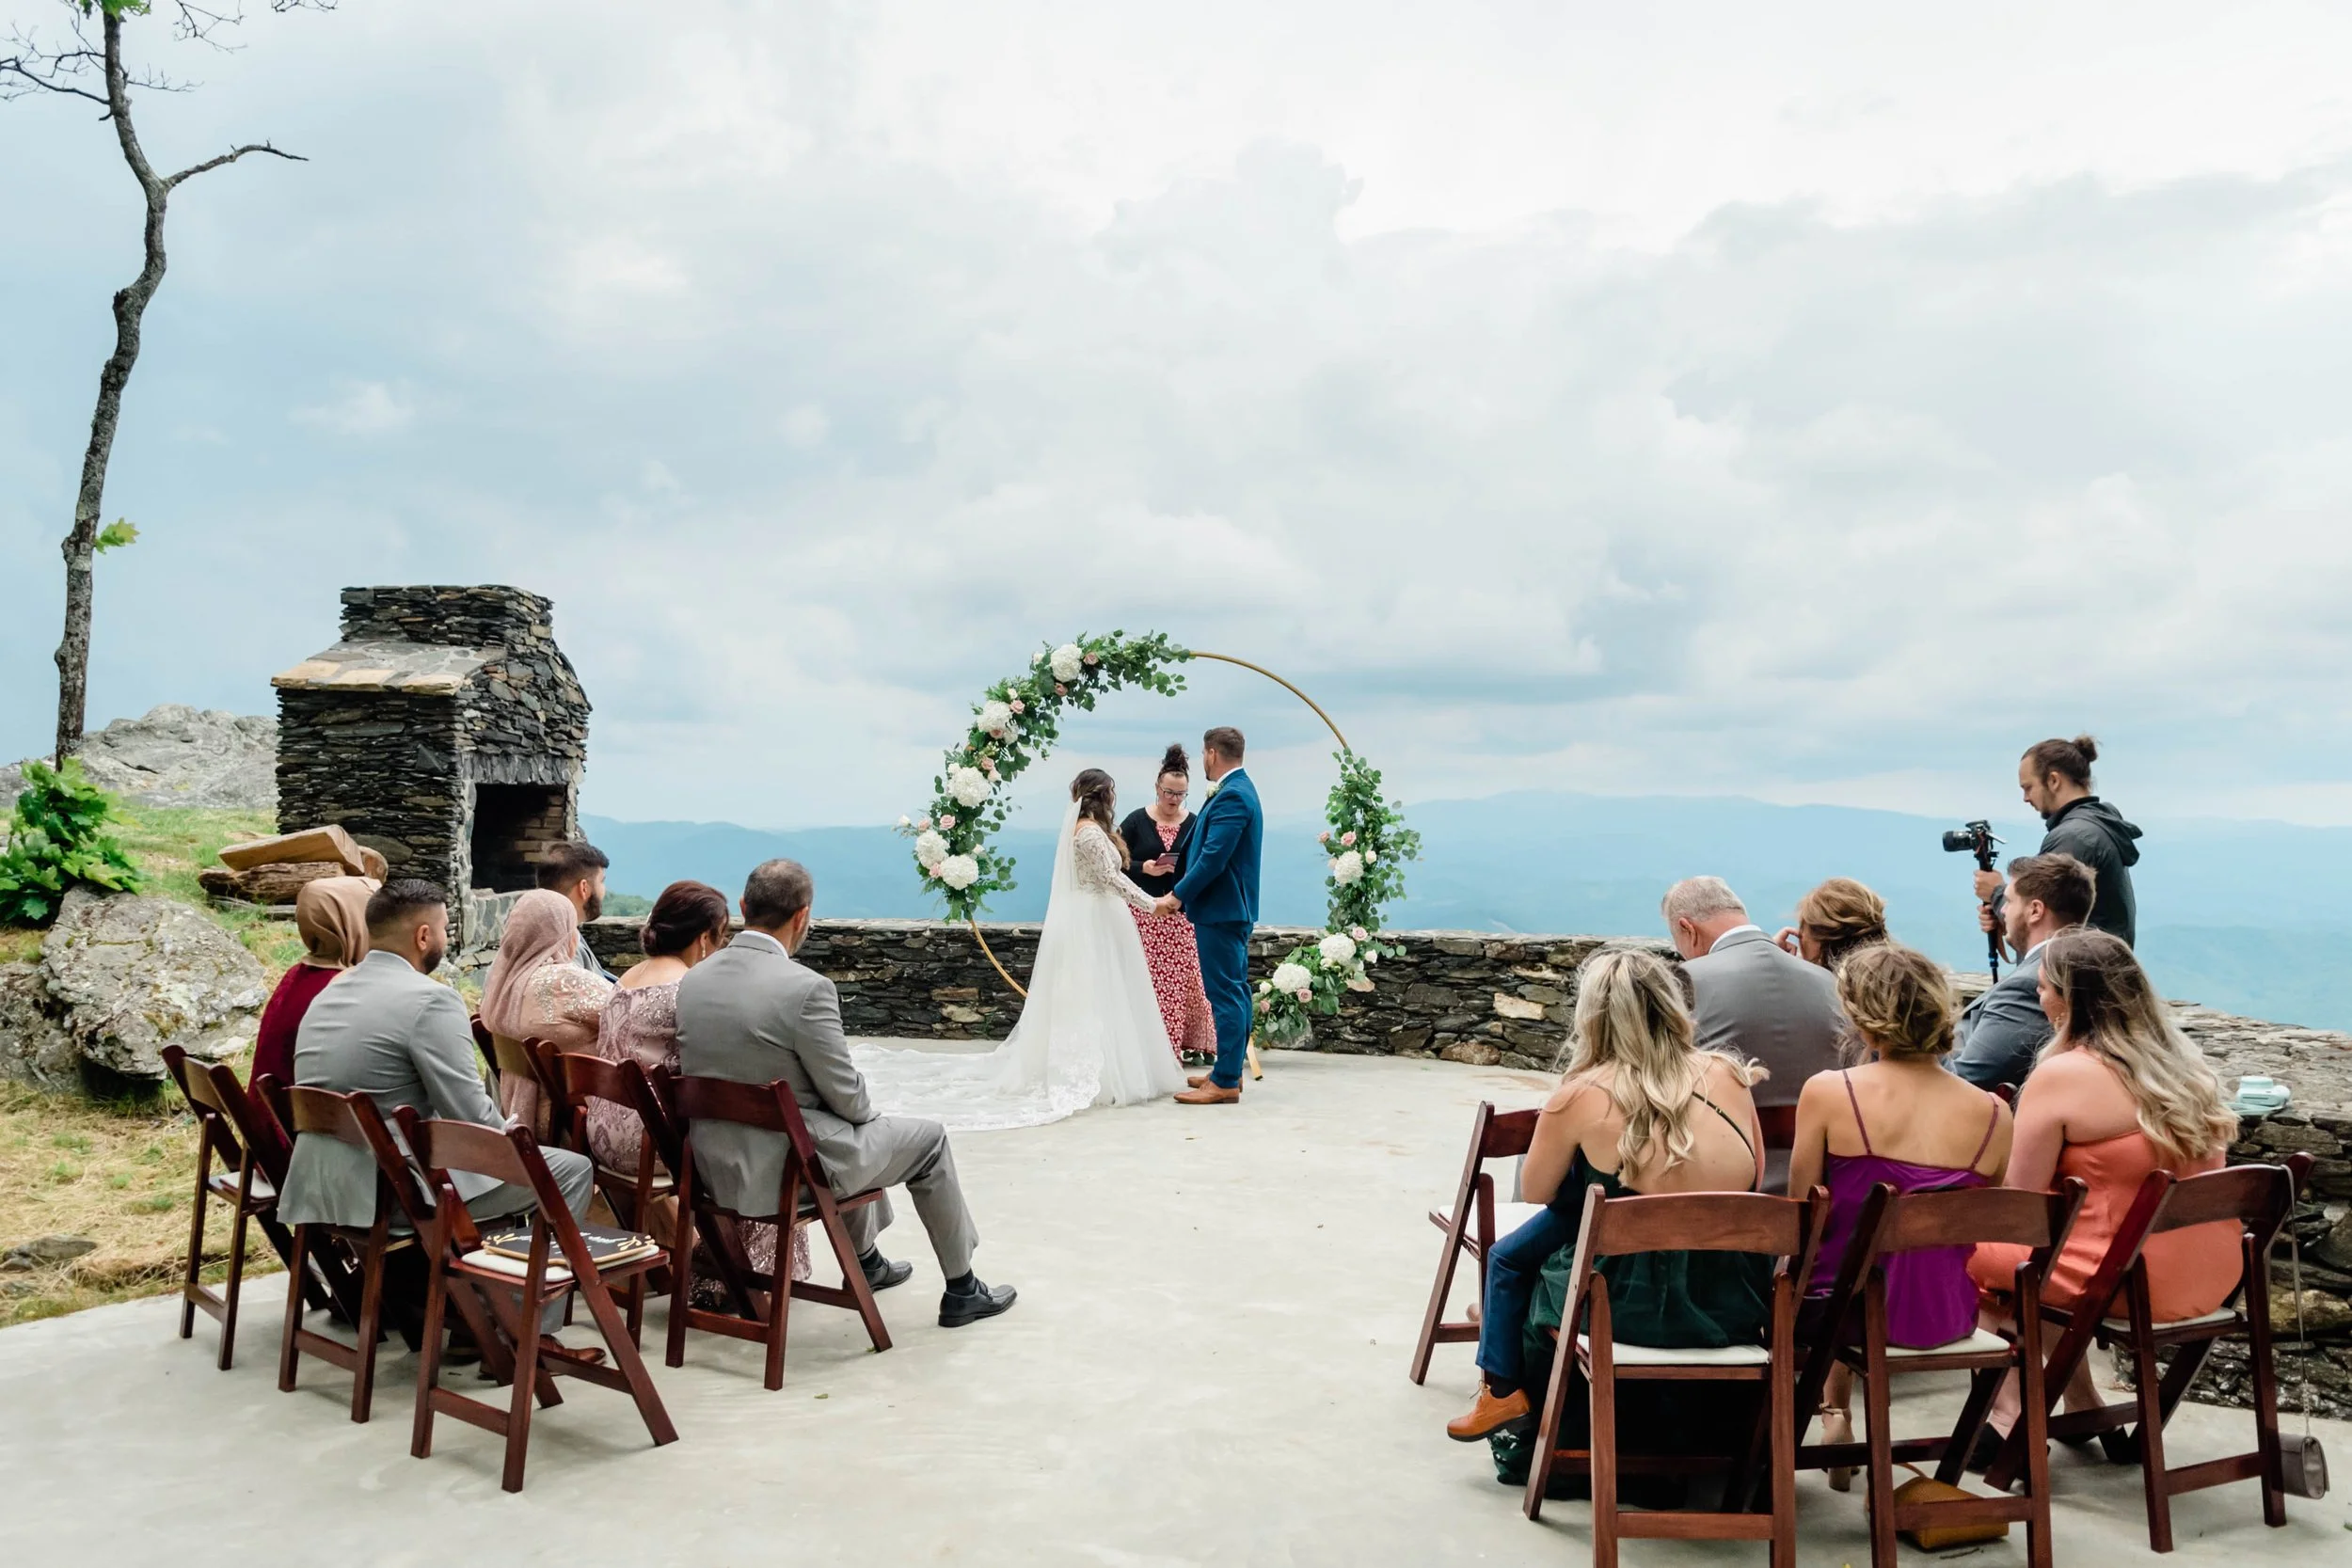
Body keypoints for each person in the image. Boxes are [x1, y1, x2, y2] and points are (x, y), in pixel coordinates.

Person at [675, 858, 1017, 1328]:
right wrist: (864, 1112)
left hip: (713, 1166)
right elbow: (849, 1099)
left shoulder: (694, 979)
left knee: (852, 1134)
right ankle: (963, 1288)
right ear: (803, 917)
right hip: (787, 1172)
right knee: (926, 1139)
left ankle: (870, 1264)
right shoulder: (806, 989)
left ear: (742, 907)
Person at [1447, 948, 1768, 1444]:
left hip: (1623, 1302)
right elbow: (1755, 1176)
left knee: (1509, 1258)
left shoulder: (1580, 1095)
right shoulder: (1729, 1075)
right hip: (1733, 1296)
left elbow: (1535, 1190)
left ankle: (1503, 1390)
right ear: (1671, 1005)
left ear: (1593, 1019)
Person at [1965, 928, 2241, 1461]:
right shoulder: (2187, 1070)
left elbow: (2019, 1204)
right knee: (2050, 1260)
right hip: (2207, 1275)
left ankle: (2010, 1414)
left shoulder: (2064, 1075)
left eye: (2043, 988)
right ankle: (2081, 1398)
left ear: (2070, 1000)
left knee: (1968, 1251)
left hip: (2127, 1282)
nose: (2039, 1000)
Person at [277, 879, 595, 1337]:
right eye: (445, 928)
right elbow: (470, 1115)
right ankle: (524, 1331)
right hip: (396, 1193)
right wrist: (517, 1132)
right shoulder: (431, 1000)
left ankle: (474, 1310)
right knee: (569, 1170)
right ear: (423, 936)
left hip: (323, 1184)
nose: (447, 940)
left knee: (496, 1166)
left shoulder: (329, 993)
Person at [1787, 942, 2012, 1490]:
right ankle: (1837, 1412)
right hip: (1946, 1314)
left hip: (1843, 1315)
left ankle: (1825, 1417)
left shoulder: (1829, 1092)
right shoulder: (1994, 1113)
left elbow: (1802, 1217)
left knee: (1831, 1268)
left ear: (1866, 1023)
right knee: (1871, 1262)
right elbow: (1978, 1222)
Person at [853, 772, 1188, 1129]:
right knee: (1093, 991)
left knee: (1105, 992)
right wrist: (1151, 903)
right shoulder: (1088, 832)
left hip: (1099, 915)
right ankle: (1100, 1072)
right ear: (1104, 796)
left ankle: (1111, 1064)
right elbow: (1110, 877)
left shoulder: (1088, 829)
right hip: (1094, 920)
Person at [594, 880, 808, 1290]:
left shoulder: (626, 979)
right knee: (759, 1137)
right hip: (649, 1142)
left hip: (603, 1132)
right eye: (722, 935)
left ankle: (721, 1261)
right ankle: (738, 1277)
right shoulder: (685, 990)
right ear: (705, 938)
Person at [1664, 876, 1844, 1190]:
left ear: (1687, 928)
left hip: (1718, 1186)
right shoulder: (1831, 983)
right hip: (1821, 1184)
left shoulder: (1686, 981)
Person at [1157, 726, 1264, 1105]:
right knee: (1235, 989)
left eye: (1204, 754)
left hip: (1222, 910)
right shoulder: (1239, 789)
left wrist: (1177, 895)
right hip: (1228, 909)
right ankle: (1229, 1071)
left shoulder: (1233, 795)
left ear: (1212, 754)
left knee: (1225, 994)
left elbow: (1214, 858)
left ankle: (1225, 1082)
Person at [1972, 735, 2140, 947]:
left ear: (2053, 781)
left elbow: (2038, 917)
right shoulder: (2095, 825)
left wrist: (1996, 893)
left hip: (2078, 974)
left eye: (2028, 787)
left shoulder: (2074, 838)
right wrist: (2002, 911)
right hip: (2099, 966)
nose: (2025, 798)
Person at [1948, 853, 2093, 1092]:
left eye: (2008, 901)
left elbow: (1969, 1077)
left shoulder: (2029, 985)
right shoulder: (2077, 962)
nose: (2002, 911)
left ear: (2035, 910)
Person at [480, 888, 614, 1132]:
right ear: (561, 933)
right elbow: (626, 1011)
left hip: (524, 1112)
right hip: (577, 1121)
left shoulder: (499, 986)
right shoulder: (563, 982)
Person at [1120, 743, 1216, 1066]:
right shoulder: (1135, 820)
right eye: (1168, 793)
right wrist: (1142, 868)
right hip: (1144, 915)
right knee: (1146, 979)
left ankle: (1180, 1043)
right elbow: (1113, 859)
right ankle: (1145, 1045)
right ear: (1157, 788)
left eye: (1180, 794)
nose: (1173, 800)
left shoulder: (1194, 822)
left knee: (1183, 980)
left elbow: (1206, 861)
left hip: (1180, 914)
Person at [250, 875, 378, 1087]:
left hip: (267, 1109)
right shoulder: (342, 989)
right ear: (354, 921)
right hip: (298, 1115)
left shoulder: (298, 973)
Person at [538, 840, 618, 979]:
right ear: (584, 888)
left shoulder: (544, 934)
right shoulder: (563, 951)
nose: (605, 890)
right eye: (601, 881)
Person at [1772, 877, 1888, 972]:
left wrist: (1773, 961)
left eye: (1801, 933)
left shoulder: (1812, 994)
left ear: (1820, 946)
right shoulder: (1898, 974)